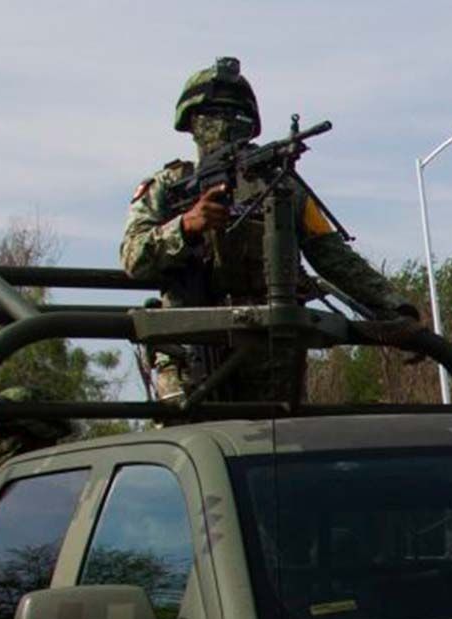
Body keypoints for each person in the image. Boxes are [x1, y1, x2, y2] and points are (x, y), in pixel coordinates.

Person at [121, 57, 420, 406]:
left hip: (270, 349)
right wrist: (186, 226)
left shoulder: (281, 185)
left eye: (233, 111)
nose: (225, 121)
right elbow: (132, 258)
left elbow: (332, 255)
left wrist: (394, 307)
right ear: (191, 121)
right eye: (214, 111)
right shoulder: (166, 187)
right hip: (190, 344)